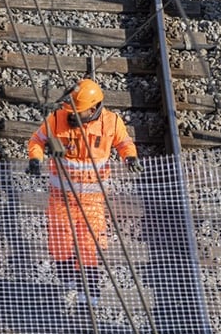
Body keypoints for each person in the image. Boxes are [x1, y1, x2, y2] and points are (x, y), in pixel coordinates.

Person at [26, 78, 142, 301]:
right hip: (61, 198)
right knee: (59, 242)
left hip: (92, 200)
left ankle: (90, 290)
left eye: (79, 112)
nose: (73, 116)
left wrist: (130, 157)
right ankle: (67, 277)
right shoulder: (58, 118)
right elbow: (36, 141)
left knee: (90, 244)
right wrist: (35, 159)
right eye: (72, 111)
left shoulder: (111, 123)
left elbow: (124, 143)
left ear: (94, 107)